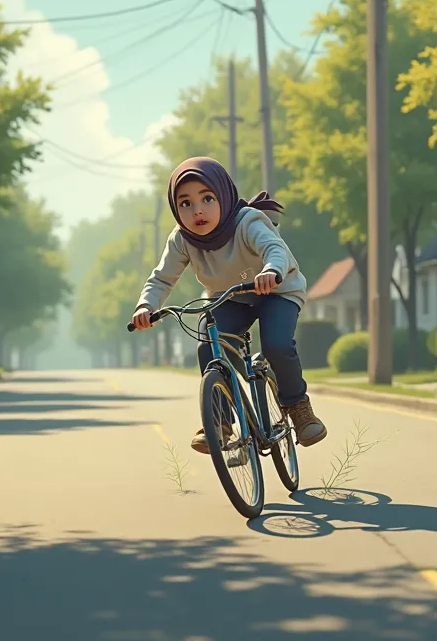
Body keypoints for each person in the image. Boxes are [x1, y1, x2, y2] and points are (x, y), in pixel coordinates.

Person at [131, 157, 327, 454]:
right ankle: (219, 423)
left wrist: (270, 271)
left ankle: (298, 407)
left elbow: (274, 249)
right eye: (185, 203)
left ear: (223, 195)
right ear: (175, 208)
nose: (197, 210)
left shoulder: (246, 221)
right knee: (207, 345)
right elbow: (161, 279)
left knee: (276, 344)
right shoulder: (182, 240)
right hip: (230, 297)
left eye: (207, 198)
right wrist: (146, 306)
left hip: (276, 290)